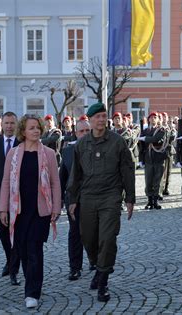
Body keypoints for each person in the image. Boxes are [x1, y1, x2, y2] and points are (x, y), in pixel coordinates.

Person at [67, 102, 135, 303]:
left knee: (107, 238)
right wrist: (72, 200)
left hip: (110, 197)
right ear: (90, 119)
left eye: (104, 116)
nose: (101, 120)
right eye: (97, 117)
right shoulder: (82, 144)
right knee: (88, 238)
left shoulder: (117, 142)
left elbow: (127, 170)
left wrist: (130, 198)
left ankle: (103, 281)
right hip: (87, 197)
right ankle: (98, 267)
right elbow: (75, 175)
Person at [0, 114, 61, 309]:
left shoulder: (49, 154)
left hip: (40, 210)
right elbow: (6, 182)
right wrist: (2, 208)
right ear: (23, 131)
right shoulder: (14, 154)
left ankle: (32, 292)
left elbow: (55, 183)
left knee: (34, 250)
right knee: (23, 250)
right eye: (31, 128)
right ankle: (31, 282)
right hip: (18, 210)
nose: (36, 131)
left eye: (38, 127)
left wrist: (57, 207)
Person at [0, 112, 21, 285]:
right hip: (0, 195)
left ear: (17, 124)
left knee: (16, 232)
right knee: (3, 232)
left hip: (20, 195)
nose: (9, 126)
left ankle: (14, 268)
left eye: (12, 123)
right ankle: (10, 260)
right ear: (2, 124)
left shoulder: (22, 143)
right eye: (6, 123)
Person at [59, 119, 91, 281]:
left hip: (94, 198)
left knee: (95, 232)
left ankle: (95, 260)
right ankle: (75, 267)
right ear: (75, 133)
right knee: (75, 233)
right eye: (81, 131)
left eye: (87, 131)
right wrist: (58, 203)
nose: (84, 134)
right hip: (73, 200)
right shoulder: (67, 152)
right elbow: (62, 179)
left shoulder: (99, 149)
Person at [139, 112, 166, 209]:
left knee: (157, 180)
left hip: (158, 157)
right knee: (148, 180)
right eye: (151, 117)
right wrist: (141, 159)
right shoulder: (145, 130)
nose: (153, 119)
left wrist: (145, 138)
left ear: (158, 119)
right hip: (148, 158)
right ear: (149, 119)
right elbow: (141, 146)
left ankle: (156, 200)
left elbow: (156, 139)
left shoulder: (161, 130)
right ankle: (150, 200)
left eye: (155, 117)